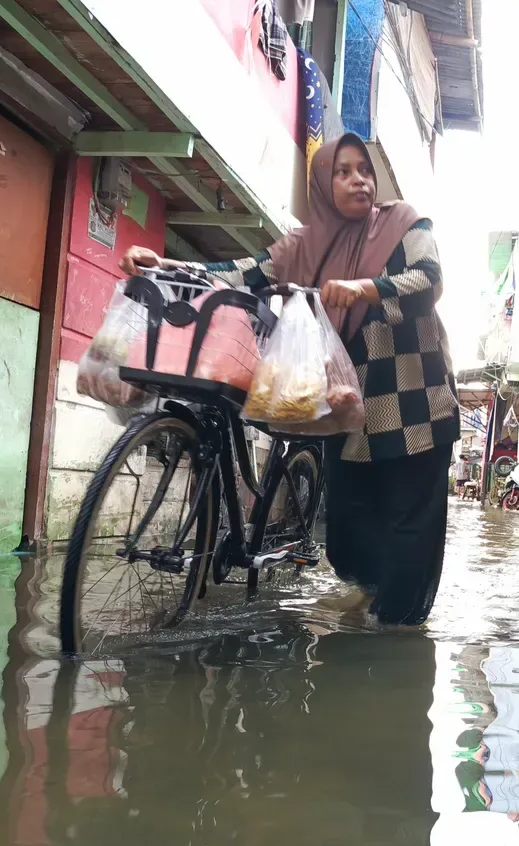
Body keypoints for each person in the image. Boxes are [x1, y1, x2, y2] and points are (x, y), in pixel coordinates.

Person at [120, 133, 459, 626]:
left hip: (416, 405)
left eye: (364, 169)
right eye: (342, 171)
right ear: (322, 184)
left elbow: (429, 279)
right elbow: (245, 271)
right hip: (351, 411)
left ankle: (394, 641)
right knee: (345, 541)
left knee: (410, 530)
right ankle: (376, 601)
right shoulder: (307, 244)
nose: (358, 179)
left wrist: (366, 288)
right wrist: (170, 263)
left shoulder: (405, 224)